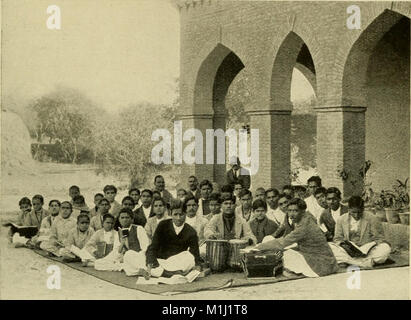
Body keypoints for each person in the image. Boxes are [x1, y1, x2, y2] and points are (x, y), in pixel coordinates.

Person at [254, 198, 338, 278]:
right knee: (278, 246)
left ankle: (296, 272)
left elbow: (283, 242)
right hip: (327, 261)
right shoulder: (306, 218)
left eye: (295, 211)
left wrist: (258, 247)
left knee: (285, 254)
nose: (291, 214)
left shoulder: (304, 225)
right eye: (289, 211)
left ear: (302, 211)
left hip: (321, 264)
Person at [329, 196, 391, 268]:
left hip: (367, 252)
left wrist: (369, 246)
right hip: (349, 253)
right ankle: (362, 262)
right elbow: (337, 239)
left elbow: (380, 238)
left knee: (385, 248)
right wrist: (345, 245)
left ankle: (349, 262)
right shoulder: (341, 219)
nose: (356, 215)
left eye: (359, 212)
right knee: (330, 246)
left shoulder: (372, 218)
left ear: (363, 209)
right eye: (353, 212)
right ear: (349, 210)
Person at [146, 200, 202, 278]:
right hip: (160, 261)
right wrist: (152, 263)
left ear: (186, 214)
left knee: (189, 257)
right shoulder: (162, 225)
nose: (178, 218)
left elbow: (195, 255)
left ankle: (159, 273)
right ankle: (167, 273)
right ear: (170, 214)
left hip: (176, 263)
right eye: (175, 214)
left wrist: (197, 267)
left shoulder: (191, 231)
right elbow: (153, 247)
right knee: (130, 255)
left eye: (181, 214)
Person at [94, 209, 150, 277]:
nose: (124, 220)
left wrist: (133, 257)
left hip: (137, 257)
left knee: (129, 254)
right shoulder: (119, 233)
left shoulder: (138, 229)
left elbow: (145, 248)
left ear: (132, 219)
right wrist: (122, 244)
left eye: (127, 217)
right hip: (123, 258)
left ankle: (133, 268)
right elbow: (117, 251)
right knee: (98, 263)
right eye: (122, 218)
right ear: (119, 219)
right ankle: (124, 267)